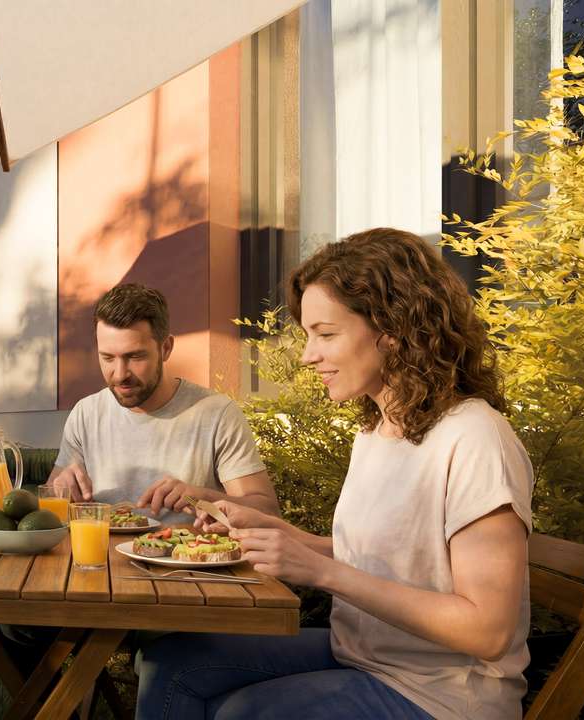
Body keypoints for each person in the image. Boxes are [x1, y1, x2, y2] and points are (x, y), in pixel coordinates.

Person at [136, 228, 533, 719]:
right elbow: (380, 559)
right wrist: (271, 533)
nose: (308, 355)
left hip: (442, 693)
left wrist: (321, 572)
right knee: (170, 660)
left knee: (247, 713)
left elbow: (486, 630)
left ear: (393, 330)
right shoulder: (379, 429)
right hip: (364, 654)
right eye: (308, 336)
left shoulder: (474, 438)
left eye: (326, 334)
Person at [49, 282, 280, 525]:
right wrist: (60, 488)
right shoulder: (86, 414)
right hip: (98, 559)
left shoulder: (217, 414)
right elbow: (52, 498)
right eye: (107, 357)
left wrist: (203, 497)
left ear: (166, 348)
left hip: (183, 560)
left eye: (135, 356)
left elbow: (268, 513)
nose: (119, 374)